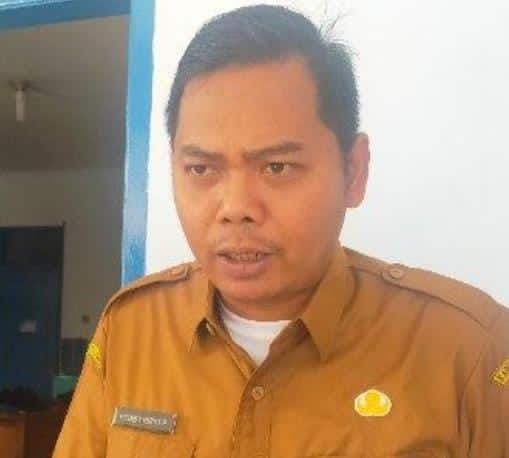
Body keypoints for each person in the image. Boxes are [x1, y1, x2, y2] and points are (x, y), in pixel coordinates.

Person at [53, 5, 508, 457]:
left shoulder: (469, 352)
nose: (236, 209)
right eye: (201, 168)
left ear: (354, 171)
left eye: (276, 167)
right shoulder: (130, 331)